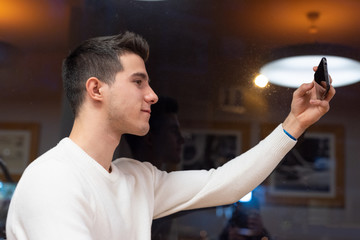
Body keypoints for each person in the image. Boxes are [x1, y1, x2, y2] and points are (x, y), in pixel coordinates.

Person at [6, 31, 335, 239]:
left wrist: (294, 124)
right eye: (138, 82)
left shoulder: (137, 178)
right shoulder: (53, 180)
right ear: (96, 89)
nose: (152, 95)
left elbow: (223, 183)